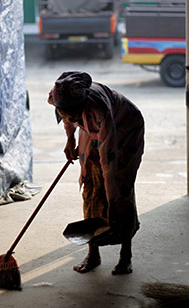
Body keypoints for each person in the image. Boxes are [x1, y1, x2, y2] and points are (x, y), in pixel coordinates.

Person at [47, 71, 144, 275]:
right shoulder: (61, 97)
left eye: (74, 116)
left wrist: (113, 201)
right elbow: (68, 118)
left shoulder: (99, 112)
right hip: (91, 126)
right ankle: (93, 254)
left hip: (125, 127)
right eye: (65, 114)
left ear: (82, 107)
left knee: (121, 186)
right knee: (90, 183)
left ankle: (126, 255)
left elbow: (109, 164)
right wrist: (70, 140)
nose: (70, 119)